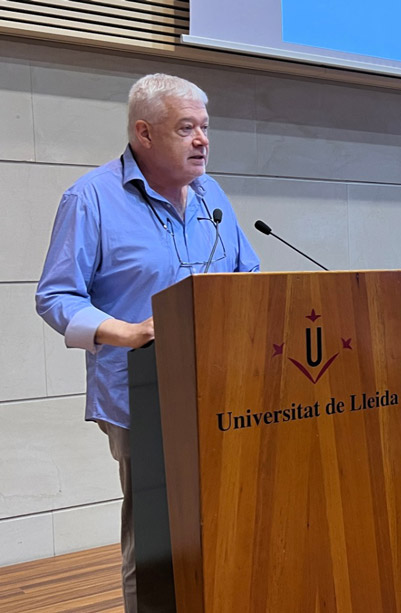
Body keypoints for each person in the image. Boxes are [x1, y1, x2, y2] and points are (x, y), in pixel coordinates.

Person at [35, 74, 261, 613]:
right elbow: (55, 295)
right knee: (158, 536)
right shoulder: (91, 198)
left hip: (224, 387)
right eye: (186, 128)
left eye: (205, 127)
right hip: (142, 391)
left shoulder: (211, 194)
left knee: (226, 521)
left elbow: (248, 273)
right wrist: (129, 332)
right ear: (144, 133)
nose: (202, 140)